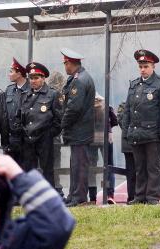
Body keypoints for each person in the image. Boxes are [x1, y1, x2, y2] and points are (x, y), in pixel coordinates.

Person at [124, 49, 160, 205]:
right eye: (140, 66)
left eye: (146, 66)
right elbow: (128, 109)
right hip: (137, 133)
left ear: (153, 66)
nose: (143, 70)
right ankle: (140, 196)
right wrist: (127, 130)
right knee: (140, 167)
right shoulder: (134, 84)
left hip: (153, 133)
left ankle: (152, 197)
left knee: (152, 167)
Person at [60, 48, 96, 207]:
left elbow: (74, 108)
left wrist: (62, 124)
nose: (64, 66)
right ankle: (73, 195)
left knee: (79, 165)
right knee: (75, 164)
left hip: (80, 130)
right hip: (78, 131)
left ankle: (79, 197)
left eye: (65, 63)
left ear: (70, 63)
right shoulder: (77, 78)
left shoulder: (80, 80)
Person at [20, 62, 63, 190]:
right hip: (28, 139)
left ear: (43, 79)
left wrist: (49, 134)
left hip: (44, 139)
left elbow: (59, 118)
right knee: (29, 170)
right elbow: (20, 115)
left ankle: (49, 196)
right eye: (31, 78)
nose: (33, 81)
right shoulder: (25, 95)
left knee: (47, 170)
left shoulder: (52, 94)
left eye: (36, 78)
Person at [88, 94, 118, 204]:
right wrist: (109, 130)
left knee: (91, 168)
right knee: (109, 166)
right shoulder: (107, 105)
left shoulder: (87, 106)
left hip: (90, 139)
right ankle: (110, 194)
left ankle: (92, 197)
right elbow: (115, 120)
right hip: (105, 139)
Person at [1, 58, 29, 166]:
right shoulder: (9, 90)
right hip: (11, 139)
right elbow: (4, 114)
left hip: (26, 140)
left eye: (11, 71)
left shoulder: (30, 89)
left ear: (19, 73)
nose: (9, 74)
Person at [47, 71, 67, 198]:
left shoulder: (49, 93)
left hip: (52, 135)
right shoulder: (57, 94)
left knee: (52, 165)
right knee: (55, 165)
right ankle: (57, 189)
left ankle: (56, 189)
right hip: (54, 136)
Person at [117, 101, 136, 203]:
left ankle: (137, 195)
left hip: (138, 143)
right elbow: (120, 120)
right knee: (132, 173)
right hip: (129, 145)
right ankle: (132, 196)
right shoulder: (123, 105)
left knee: (138, 172)